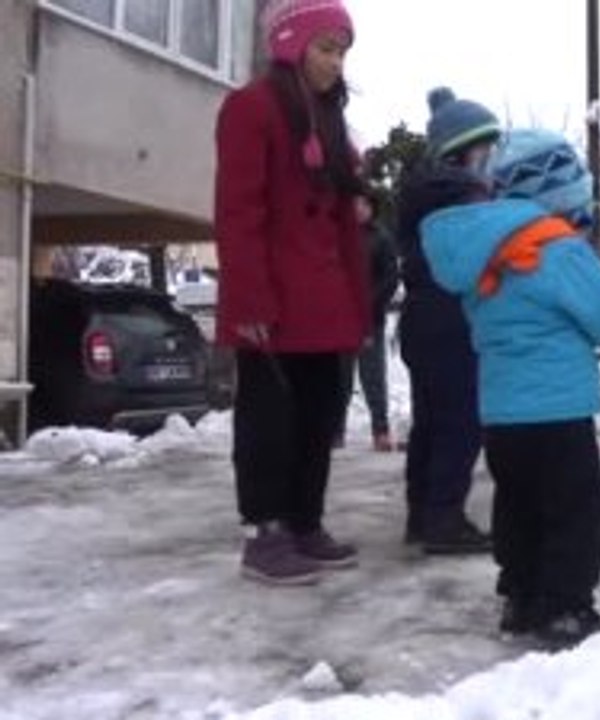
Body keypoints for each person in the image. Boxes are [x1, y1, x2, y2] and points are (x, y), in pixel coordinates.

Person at [421, 128, 600, 647]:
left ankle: (521, 597)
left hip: (502, 414)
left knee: (517, 504)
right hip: (559, 410)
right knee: (572, 510)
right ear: (561, 193)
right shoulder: (558, 248)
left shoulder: (485, 255)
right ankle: (565, 607)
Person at [214, 0, 366, 585]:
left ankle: (305, 521)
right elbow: (238, 211)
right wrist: (249, 300)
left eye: (342, 51)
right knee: (269, 421)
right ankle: (265, 534)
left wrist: (357, 299)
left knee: (316, 417)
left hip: (323, 299)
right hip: (274, 303)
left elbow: (342, 215)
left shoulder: (329, 117)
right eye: (326, 48)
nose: (335, 62)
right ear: (291, 45)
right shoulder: (251, 107)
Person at [394, 87, 499, 554]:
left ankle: (422, 515)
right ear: (463, 150)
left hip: (420, 319)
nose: (491, 156)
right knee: (461, 421)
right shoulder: (463, 195)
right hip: (452, 318)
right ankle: (444, 519)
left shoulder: (422, 190)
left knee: (430, 422)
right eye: (485, 147)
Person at [334, 190, 399, 452]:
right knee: (340, 378)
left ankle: (380, 430)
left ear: (372, 207)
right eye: (354, 203)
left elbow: (390, 277)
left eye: (363, 204)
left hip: (371, 319)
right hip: (341, 318)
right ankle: (336, 431)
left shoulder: (381, 237)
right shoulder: (338, 234)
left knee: (373, 378)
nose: (358, 208)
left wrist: (371, 302)